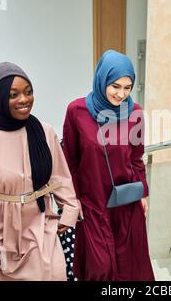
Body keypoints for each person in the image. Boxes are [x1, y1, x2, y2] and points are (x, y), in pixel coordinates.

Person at [0, 62, 81, 281]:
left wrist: (70, 211)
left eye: (28, 92)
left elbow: (60, 176)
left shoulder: (44, 132)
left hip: (41, 222)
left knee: (53, 273)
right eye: (13, 94)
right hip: (1, 233)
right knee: (4, 275)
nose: (24, 100)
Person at [63, 50, 154, 281]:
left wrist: (143, 192)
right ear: (102, 79)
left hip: (126, 200)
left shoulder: (135, 112)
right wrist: (73, 199)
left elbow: (136, 157)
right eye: (115, 86)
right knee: (100, 267)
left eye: (127, 87)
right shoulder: (77, 111)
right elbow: (69, 160)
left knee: (129, 266)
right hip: (93, 203)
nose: (121, 94)